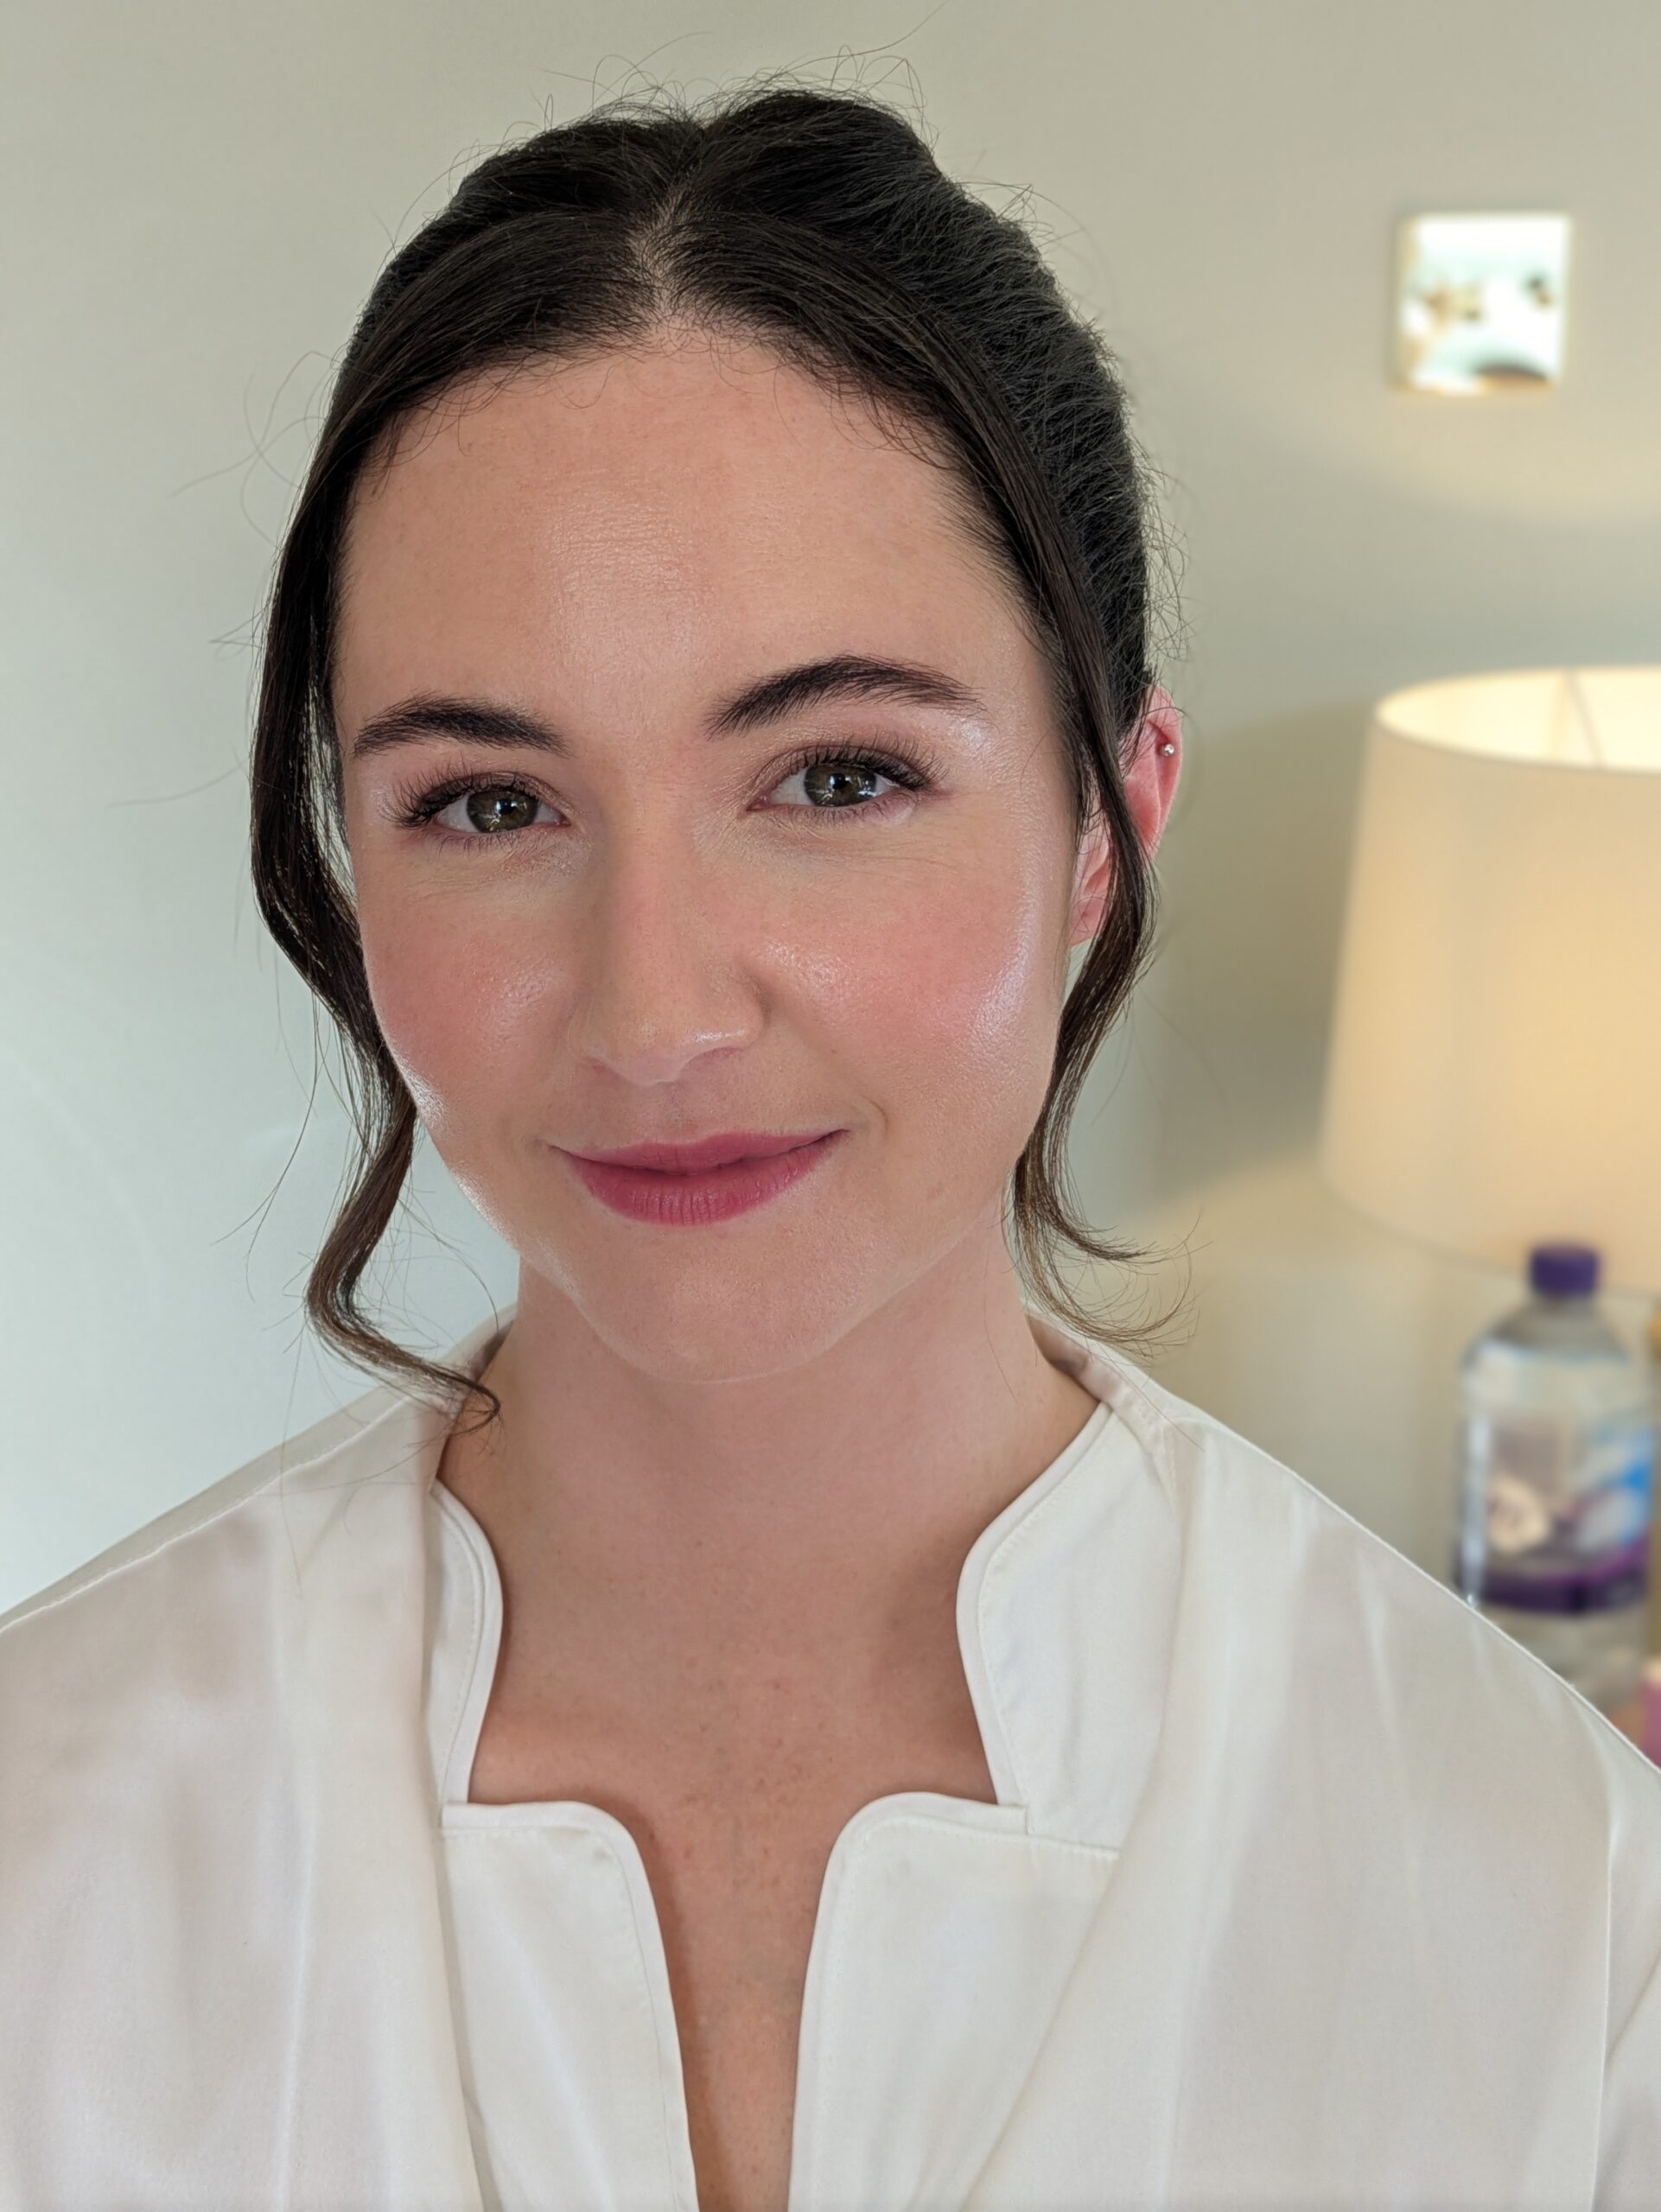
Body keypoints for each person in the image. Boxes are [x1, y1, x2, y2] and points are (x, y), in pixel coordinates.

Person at [3, 77, 1659, 2212]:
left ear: (1109, 820)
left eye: (839, 774)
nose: (659, 1011)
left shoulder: (1545, 1909)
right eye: (490, 803)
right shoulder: (52, 1825)